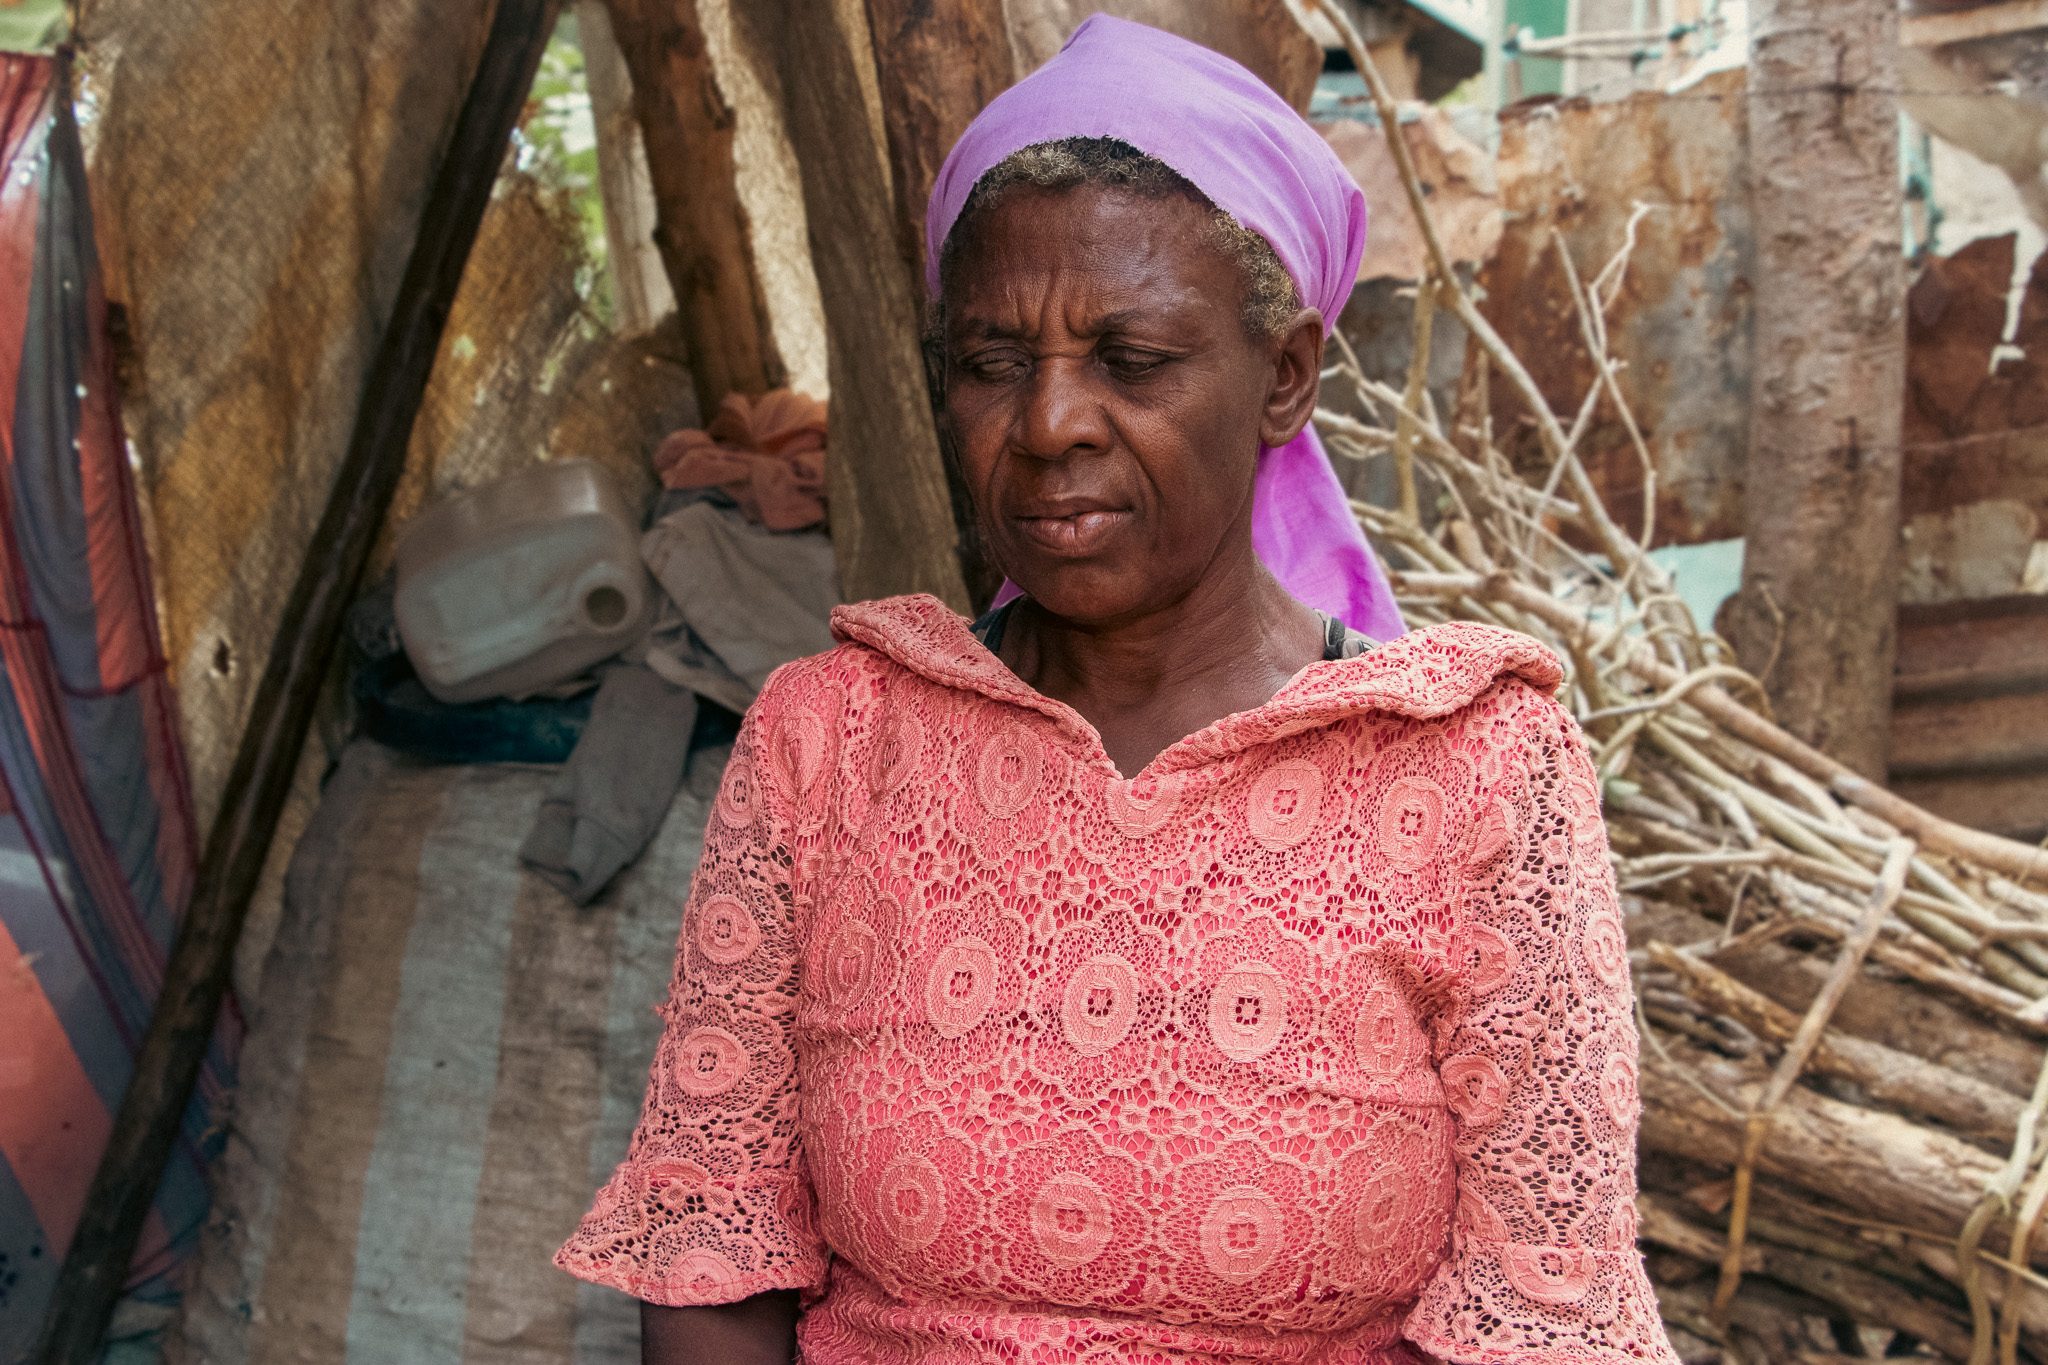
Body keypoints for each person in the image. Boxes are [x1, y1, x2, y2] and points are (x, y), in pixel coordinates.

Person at [556, 16, 1679, 1365]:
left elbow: (1543, 1309)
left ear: (1284, 376)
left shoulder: (1472, 770)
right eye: (991, 364)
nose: (1048, 425)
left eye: (1131, 362)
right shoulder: (833, 740)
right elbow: (710, 1241)